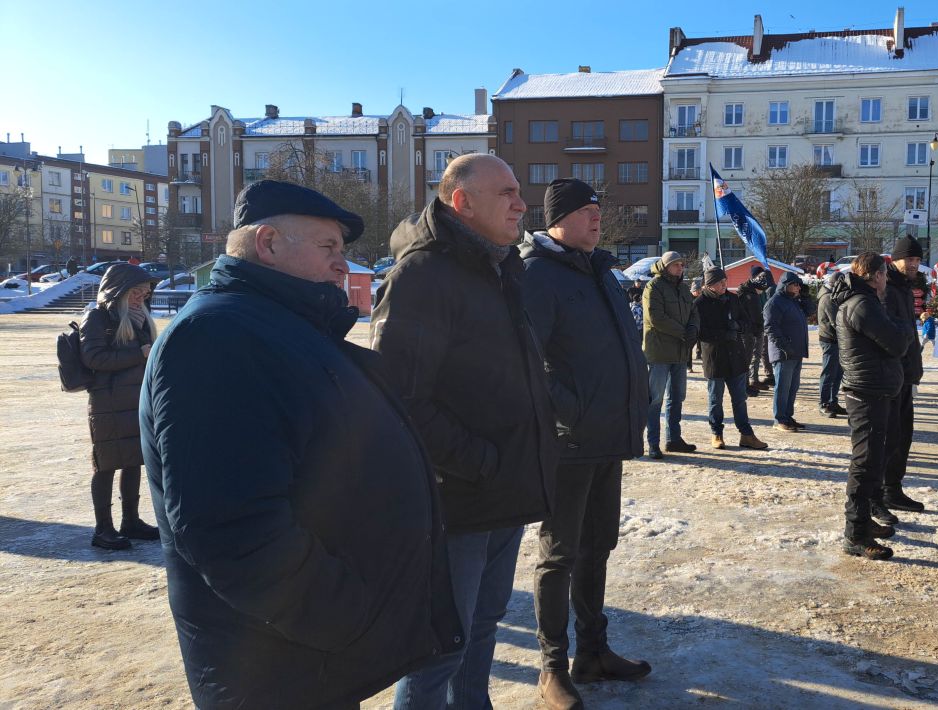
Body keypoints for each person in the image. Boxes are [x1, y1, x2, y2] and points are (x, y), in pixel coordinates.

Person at [139, 180, 460, 708]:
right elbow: (233, 530)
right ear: (267, 243)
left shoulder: (283, 327)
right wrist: (347, 615)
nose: (341, 264)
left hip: (308, 654)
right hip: (275, 665)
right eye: (328, 246)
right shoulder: (219, 337)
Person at [372, 155, 558, 709]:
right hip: (455, 500)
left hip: (503, 492)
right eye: (507, 193)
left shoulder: (498, 266)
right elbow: (399, 399)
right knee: (439, 648)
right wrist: (480, 461)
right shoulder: (423, 275)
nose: (522, 204)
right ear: (462, 202)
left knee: (481, 628)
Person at [518, 178, 652, 709]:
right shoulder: (537, 274)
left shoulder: (600, 272)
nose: (598, 218)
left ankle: (592, 652)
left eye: (598, 210)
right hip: (569, 442)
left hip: (608, 436)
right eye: (586, 211)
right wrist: (568, 411)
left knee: (599, 547)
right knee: (559, 556)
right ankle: (551, 667)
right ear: (558, 219)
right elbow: (526, 360)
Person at [833, 252, 909, 560]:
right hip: (866, 393)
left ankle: (863, 520)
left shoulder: (865, 301)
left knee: (873, 462)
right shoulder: (862, 304)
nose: (887, 280)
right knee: (864, 465)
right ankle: (855, 534)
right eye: (885, 274)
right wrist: (902, 324)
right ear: (876, 275)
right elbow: (898, 343)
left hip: (873, 390)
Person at [80, 263, 160, 551]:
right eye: (135, 292)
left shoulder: (139, 318)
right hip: (108, 402)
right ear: (119, 291)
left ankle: (131, 521)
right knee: (106, 464)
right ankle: (103, 529)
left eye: (144, 293)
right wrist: (139, 353)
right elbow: (94, 358)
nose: (140, 298)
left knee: (133, 460)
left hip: (136, 400)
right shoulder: (98, 317)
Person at [695, 265, 770, 450]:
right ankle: (716, 433)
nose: (724, 285)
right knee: (715, 400)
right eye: (719, 282)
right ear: (709, 284)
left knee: (740, 399)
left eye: (724, 281)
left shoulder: (733, 299)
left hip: (736, 357)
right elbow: (700, 332)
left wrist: (738, 326)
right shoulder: (700, 304)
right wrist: (723, 334)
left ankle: (746, 434)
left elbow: (747, 322)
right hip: (715, 359)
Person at [882, 237, 928, 517]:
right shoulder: (887, 289)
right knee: (891, 438)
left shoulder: (905, 289)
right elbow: (890, 337)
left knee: (902, 437)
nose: (913, 264)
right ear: (894, 259)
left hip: (906, 375)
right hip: (892, 378)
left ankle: (893, 488)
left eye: (917, 259)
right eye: (909, 259)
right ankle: (885, 491)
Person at [642, 251, 699, 458]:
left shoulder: (683, 288)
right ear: (666, 266)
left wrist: (693, 329)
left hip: (680, 352)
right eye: (676, 265)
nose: (680, 268)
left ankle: (674, 439)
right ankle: (653, 443)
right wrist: (683, 332)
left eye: (682, 265)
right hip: (659, 352)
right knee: (655, 399)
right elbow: (656, 317)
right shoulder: (653, 286)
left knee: (677, 397)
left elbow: (694, 312)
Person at [763, 271, 810, 431]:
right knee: (782, 388)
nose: (798, 287)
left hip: (796, 351)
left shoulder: (793, 301)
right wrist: (784, 346)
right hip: (784, 353)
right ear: (785, 285)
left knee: (792, 387)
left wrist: (805, 296)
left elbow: (810, 311)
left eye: (799, 285)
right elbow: (770, 327)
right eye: (795, 284)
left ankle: (787, 416)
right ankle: (780, 419)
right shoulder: (775, 302)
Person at [736, 269, 773, 396]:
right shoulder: (747, 295)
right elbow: (750, 315)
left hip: (753, 331)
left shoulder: (752, 293)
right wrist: (755, 329)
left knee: (752, 357)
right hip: (747, 332)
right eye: (762, 289)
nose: (762, 292)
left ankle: (748, 383)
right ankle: (744, 386)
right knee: (746, 359)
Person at [815, 270, 845, 418]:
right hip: (830, 340)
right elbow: (836, 321)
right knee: (828, 373)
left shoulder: (833, 295)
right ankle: (824, 403)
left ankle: (833, 401)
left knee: (838, 373)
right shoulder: (827, 298)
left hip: (837, 339)